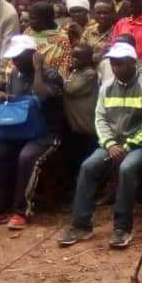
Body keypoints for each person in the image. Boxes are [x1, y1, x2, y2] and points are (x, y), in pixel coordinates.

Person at [58, 42, 142, 249]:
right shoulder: (106, 87)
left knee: (127, 168)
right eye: (113, 64)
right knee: (88, 166)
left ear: (132, 63)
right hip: (112, 144)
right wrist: (111, 144)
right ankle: (81, 225)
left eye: (120, 64)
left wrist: (127, 145)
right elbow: (100, 119)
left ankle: (122, 227)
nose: (115, 68)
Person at [0, 35, 63, 230]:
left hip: (45, 133)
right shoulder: (15, 74)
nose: (14, 61)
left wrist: (38, 69)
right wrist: (5, 97)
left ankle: (21, 211)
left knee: (27, 157)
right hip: (18, 131)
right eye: (13, 57)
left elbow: (40, 97)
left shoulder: (51, 75)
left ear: (33, 55)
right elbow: (18, 101)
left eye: (19, 57)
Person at [62, 43, 100, 182]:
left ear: (89, 59)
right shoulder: (75, 72)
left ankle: (90, 183)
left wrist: (63, 81)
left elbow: (70, 89)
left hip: (86, 125)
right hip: (74, 123)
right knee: (75, 155)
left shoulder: (90, 74)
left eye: (78, 57)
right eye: (73, 56)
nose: (73, 60)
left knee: (86, 154)